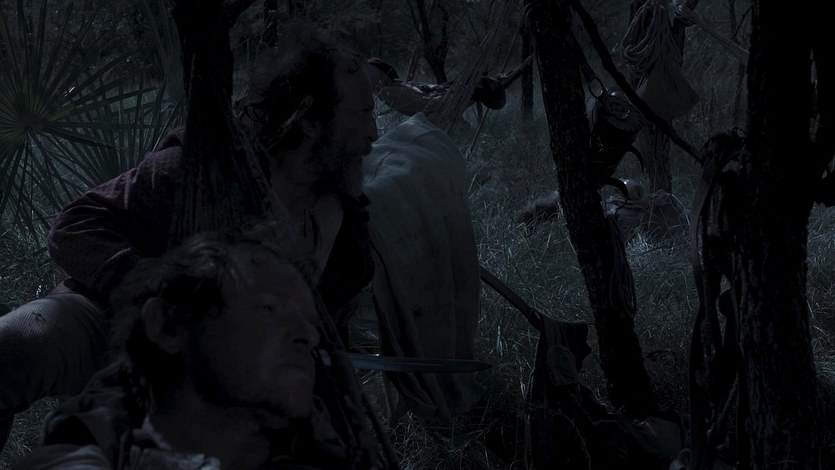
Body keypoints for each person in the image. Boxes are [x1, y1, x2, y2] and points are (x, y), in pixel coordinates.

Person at [0, 22, 379, 451]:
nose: (374, 133)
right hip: (115, 323)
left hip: (221, 381)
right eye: (363, 113)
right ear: (310, 120)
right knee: (12, 347)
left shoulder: (341, 224)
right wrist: (154, 287)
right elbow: (76, 224)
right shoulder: (204, 170)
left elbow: (324, 338)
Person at [14, 227, 359, 469]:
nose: (309, 336)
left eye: (309, 322)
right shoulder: (89, 454)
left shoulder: (324, 449)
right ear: (168, 325)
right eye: (268, 308)